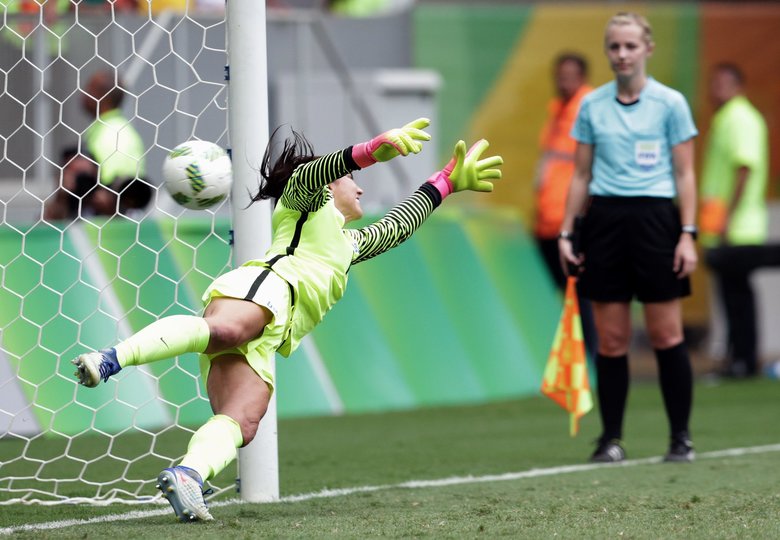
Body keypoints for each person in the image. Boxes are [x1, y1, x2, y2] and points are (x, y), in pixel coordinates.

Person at [70, 118, 503, 522]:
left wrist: (443, 183)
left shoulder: (350, 243)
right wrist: (369, 151)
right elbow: (311, 173)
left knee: (245, 421)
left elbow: (398, 226)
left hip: (275, 333)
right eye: (354, 181)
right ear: (332, 183)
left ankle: (189, 476)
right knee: (225, 331)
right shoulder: (302, 204)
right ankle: (110, 359)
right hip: (264, 288)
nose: (361, 191)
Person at [558, 12, 698, 464]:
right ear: (607, 51)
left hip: (657, 219)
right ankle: (611, 439)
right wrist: (566, 232)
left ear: (648, 49)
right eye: (614, 46)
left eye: (630, 46)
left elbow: (685, 172)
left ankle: (680, 438)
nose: (622, 54)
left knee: (666, 335)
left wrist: (687, 235)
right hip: (606, 222)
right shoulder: (592, 106)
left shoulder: (671, 103)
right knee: (613, 339)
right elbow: (580, 174)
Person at [699, 63, 770, 379]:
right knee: (733, 292)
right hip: (724, 223)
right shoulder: (726, 118)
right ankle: (739, 359)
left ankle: (742, 360)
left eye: (724, 84)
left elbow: (745, 167)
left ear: (739, 86)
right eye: (714, 83)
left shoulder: (740, 118)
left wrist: (728, 216)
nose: (717, 90)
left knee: (737, 294)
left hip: (738, 225)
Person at [533, 52, 597, 361]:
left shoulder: (589, 108)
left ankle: (589, 358)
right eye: (560, 74)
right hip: (550, 217)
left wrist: (582, 213)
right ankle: (572, 357)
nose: (563, 81)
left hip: (571, 218)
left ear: (582, 76)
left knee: (580, 291)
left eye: (570, 75)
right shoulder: (559, 109)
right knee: (564, 291)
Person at [44, 70, 151, 220]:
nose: (82, 94)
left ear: (101, 96)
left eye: (88, 89)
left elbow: (114, 191)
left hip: (105, 223)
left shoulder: (110, 135)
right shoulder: (125, 131)